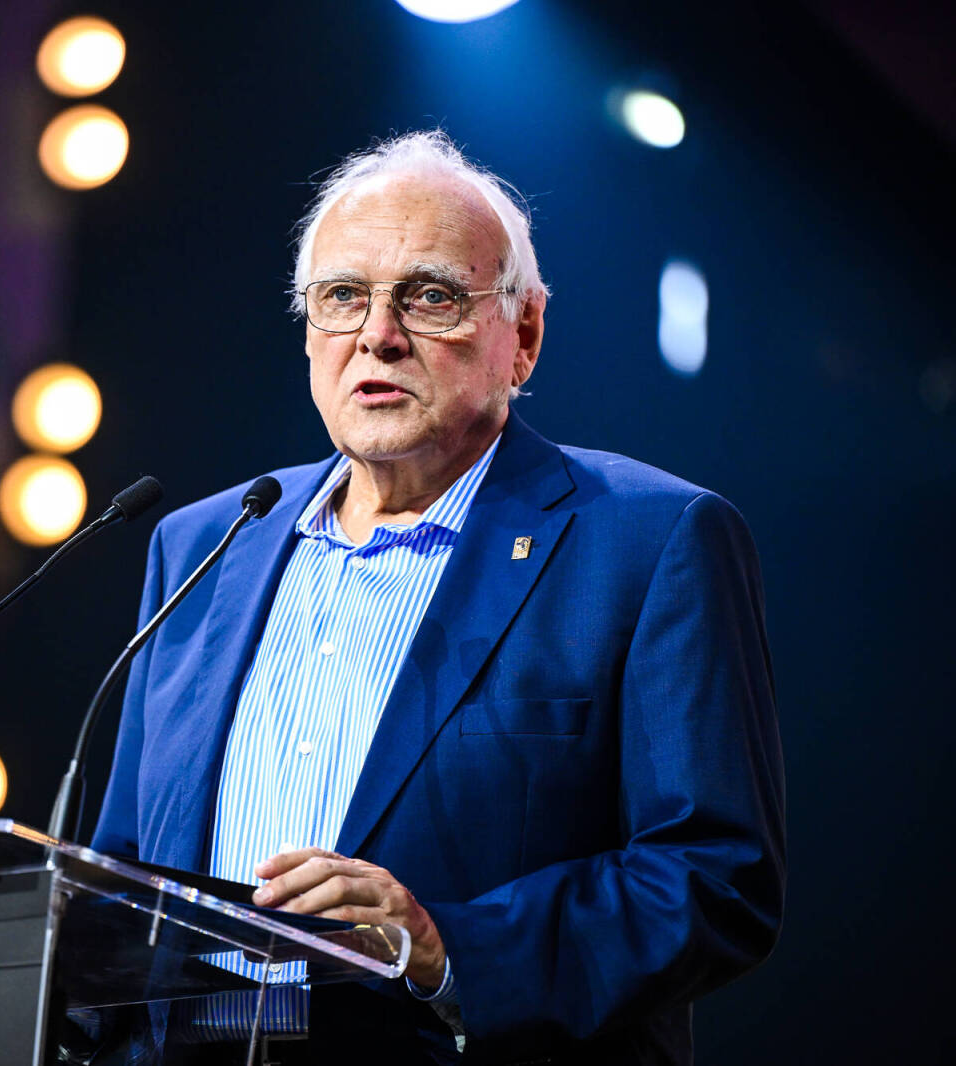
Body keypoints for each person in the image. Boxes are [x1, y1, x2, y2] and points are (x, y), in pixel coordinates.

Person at [91, 131, 784, 1065]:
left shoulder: (648, 542)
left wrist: (442, 946)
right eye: (343, 296)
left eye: (429, 296)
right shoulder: (207, 543)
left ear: (523, 336)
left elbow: (713, 879)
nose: (377, 334)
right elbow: (120, 869)